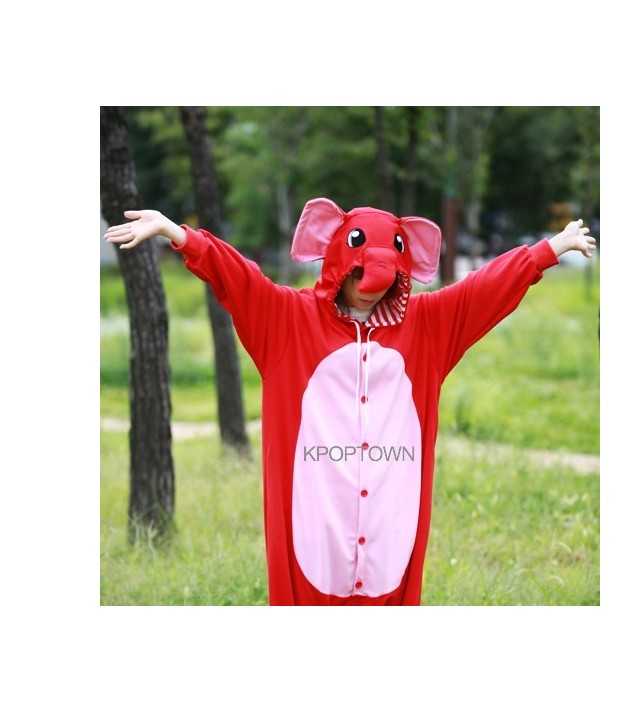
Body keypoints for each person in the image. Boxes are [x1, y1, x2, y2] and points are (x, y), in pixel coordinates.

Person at [104, 198, 597, 606]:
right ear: (339, 263)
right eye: (358, 276)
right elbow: (238, 278)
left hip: (390, 528)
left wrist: (548, 250)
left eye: (381, 281)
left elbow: (483, 290)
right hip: (312, 529)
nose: (367, 293)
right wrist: (180, 234)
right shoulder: (287, 321)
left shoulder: (427, 327)